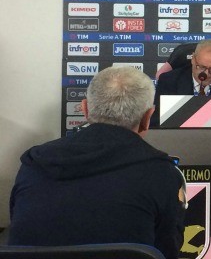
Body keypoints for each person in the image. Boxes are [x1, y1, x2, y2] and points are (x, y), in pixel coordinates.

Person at [8, 66, 185, 259]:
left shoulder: (33, 164)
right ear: (147, 118)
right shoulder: (163, 173)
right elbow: (168, 251)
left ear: (85, 109)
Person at [151, 39, 211, 127]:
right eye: (201, 67)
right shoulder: (169, 80)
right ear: (193, 59)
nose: (206, 74)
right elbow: (157, 121)